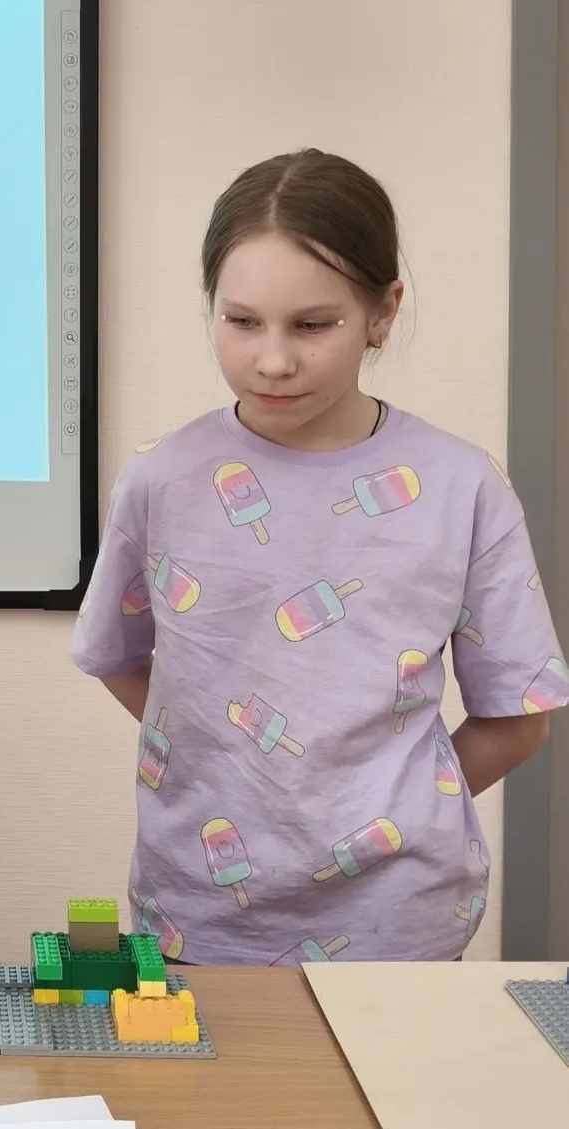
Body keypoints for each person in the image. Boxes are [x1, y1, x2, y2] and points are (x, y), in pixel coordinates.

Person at [72, 148, 567, 966]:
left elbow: (519, 716)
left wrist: (399, 804)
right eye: (241, 322)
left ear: (383, 312)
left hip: (401, 923)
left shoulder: (462, 485)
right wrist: (228, 762)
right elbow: (117, 658)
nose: (273, 359)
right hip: (203, 914)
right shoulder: (161, 479)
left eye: (312, 326)